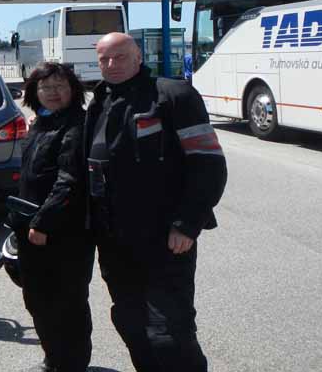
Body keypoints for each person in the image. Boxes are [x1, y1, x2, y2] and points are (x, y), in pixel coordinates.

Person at [85, 33, 227, 372]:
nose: (111, 64)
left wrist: (188, 223)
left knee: (169, 329)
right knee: (129, 320)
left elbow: (208, 164)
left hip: (163, 237)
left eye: (120, 56)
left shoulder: (173, 95)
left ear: (138, 57)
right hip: (113, 238)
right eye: (104, 59)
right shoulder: (100, 99)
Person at [15, 62, 95, 372]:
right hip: (32, 227)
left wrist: (43, 222)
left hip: (64, 232)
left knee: (67, 303)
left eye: (60, 86)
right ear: (34, 92)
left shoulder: (77, 126)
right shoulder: (41, 123)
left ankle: (72, 365)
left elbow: (69, 180)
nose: (53, 92)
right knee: (37, 299)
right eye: (45, 87)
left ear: (73, 90)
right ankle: (54, 359)